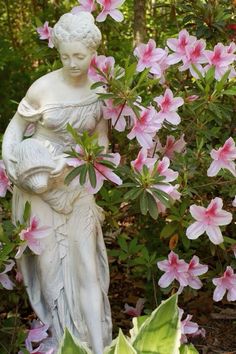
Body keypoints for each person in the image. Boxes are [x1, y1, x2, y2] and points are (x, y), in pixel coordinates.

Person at [2, 12, 112, 354]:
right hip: (38, 183)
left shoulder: (99, 90)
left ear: (93, 51)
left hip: (76, 180)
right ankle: (61, 340)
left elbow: (103, 143)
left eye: (79, 56)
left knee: (87, 266)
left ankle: (97, 345)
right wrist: (15, 167)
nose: (72, 63)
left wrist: (78, 165)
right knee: (50, 270)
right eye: (65, 56)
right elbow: (14, 133)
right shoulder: (43, 88)